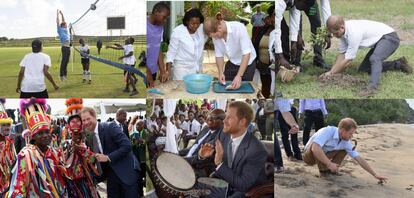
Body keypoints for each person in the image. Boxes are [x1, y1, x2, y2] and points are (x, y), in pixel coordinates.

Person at [321, 16, 413, 95]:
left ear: (341, 27)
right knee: (365, 69)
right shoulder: (342, 32)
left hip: (389, 38)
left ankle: (373, 87)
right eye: (332, 34)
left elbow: (348, 60)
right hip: (379, 40)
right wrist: (331, 72)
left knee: (375, 59)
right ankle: (399, 64)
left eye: (335, 33)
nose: (334, 36)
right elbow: (342, 55)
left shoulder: (353, 32)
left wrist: (331, 73)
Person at [197, 101, 267, 197]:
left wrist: (219, 164)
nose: (224, 121)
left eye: (229, 117)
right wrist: (202, 156)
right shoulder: (223, 134)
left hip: (244, 193)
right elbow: (212, 157)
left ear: (242, 122)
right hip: (222, 186)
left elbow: (243, 185)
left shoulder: (256, 150)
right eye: (225, 116)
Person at [8, 98, 67, 197]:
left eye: (47, 132)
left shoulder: (53, 152)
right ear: (33, 136)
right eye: (39, 133)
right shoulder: (26, 155)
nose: (45, 135)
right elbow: (19, 186)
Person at [303, 118, 388, 183]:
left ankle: (332, 170)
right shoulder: (328, 131)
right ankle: (324, 171)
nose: (351, 136)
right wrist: (329, 163)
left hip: (323, 156)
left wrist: (375, 175)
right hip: (309, 157)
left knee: (344, 149)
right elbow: (315, 148)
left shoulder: (346, 141)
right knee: (317, 146)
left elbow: (359, 158)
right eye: (350, 133)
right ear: (342, 130)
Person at [80, 107, 140, 198]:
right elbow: (96, 156)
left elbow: (127, 145)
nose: (86, 122)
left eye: (88, 119)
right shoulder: (90, 137)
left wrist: (108, 157)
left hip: (126, 174)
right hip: (111, 177)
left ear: (95, 117)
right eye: (83, 120)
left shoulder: (109, 126)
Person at [203, 17, 257, 89]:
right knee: (225, 86)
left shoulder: (239, 28)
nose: (215, 38)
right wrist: (221, 72)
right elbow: (219, 56)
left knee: (243, 89)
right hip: (232, 62)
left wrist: (239, 76)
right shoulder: (215, 35)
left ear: (219, 27)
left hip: (247, 64)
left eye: (216, 36)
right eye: (213, 37)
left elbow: (246, 54)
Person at [165, 8, 207, 81]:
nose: (195, 26)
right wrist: (167, 71)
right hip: (182, 70)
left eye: (198, 23)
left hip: (197, 67)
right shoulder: (177, 32)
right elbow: (171, 53)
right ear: (187, 21)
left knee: (195, 88)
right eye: (193, 23)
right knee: (181, 90)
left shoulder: (201, 28)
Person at [182, 109, 225, 177]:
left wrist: (183, 160)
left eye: (214, 117)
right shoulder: (206, 128)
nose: (209, 119)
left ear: (222, 122)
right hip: (189, 159)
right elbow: (195, 146)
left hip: (199, 167)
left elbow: (203, 157)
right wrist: (178, 152)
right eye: (209, 116)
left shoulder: (221, 136)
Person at [294, 0, 332, 68]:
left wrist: (327, 31)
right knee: (297, 28)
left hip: (311, 3)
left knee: (317, 24)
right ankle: (296, 62)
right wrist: (297, 34)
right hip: (297, 3)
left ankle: (318, 59)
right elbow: (294, 19)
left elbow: (325, 5)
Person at [147, 2, 170, 87]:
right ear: (156, 12)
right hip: (145, 72)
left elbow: (158, 48)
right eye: (164, 17)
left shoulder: (160, 27)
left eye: (166, 18)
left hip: (153, 72)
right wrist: (148, 75)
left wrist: (163, 71)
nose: (165, 20)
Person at [252, 7, 275, 98]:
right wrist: (256, 60)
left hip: (273, 65)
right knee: (265, 87)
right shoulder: (264, 30)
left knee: (273, 88)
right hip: (262, 65)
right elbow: (255, 44)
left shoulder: (279, 31)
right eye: (273, 16)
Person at [272, 0, 302, 68]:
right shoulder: (279, 4)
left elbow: (295, 20)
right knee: (282, 31)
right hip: (272, 10)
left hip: (278, 10)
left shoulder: (297, 4)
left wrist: (294, 42)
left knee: (285, 31)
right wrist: (280, 56)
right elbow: (276, 31)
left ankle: (286, 62)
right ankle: (278, 61)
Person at [274, 98, 300, 172]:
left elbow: (285, 111)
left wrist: (294, 124)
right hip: (277, 109)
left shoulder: (281, 95)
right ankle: (288, 155)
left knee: (291, 133)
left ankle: (278, 164)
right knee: (283, 134)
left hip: (284, 109)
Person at [0, 99, 16, 197]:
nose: (7, 128)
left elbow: (14, 161)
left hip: (7, 185)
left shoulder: (10, 142)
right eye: (3, 125)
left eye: (8, 125)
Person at [57, 9, 71, 81]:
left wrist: (62, 14)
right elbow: (58, 22)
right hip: (64, 47)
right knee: (63, 61)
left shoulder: (66, 29)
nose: (66, 25)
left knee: (67, 61)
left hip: (68, 47)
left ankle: (65, 75)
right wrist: (57, 14)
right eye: (65, 24)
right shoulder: (60, 29)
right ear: (63, 26)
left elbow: (63, 20)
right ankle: (61, 75)